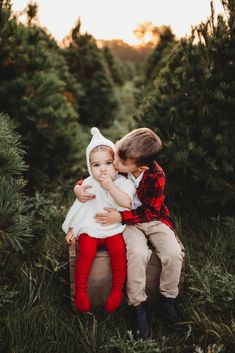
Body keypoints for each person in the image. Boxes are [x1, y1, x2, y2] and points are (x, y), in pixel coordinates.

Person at [76, 127, 184, 339]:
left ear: (141, 167)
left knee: (173, 252)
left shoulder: (155, 175)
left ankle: (168, 297)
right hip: (128, 222)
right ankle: (137, 304)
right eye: (115, 155)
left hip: (152, 218)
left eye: (121, 163)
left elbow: (150, 211)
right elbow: (92, 173)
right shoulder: (122, 158)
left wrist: (120, 217)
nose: (115, 164)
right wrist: (78, 187)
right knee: (136, 253)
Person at [62, 127, 136, 313]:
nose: (102, 169)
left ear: (116, 164)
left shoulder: (123, 182)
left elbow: (126, 203)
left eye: (108, 163)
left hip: (113, 229)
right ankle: (80, 292)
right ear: (90, 168)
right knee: (85, 252)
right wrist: (71, 229)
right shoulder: (87, 184)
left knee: (119, 252)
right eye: (96, 165)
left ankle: (116, 291)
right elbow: (78, 208)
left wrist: (110, 186)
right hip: (91, 227)